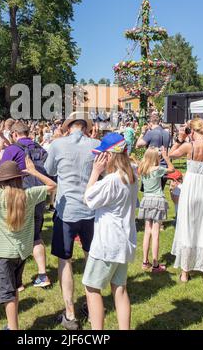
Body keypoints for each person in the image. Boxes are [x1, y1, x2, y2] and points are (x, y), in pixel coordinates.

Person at [0, 159, 56, 330]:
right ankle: (12, 324)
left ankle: (13, 328)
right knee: (14, 288)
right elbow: (52, 186)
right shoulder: (28, 194)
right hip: (22, 252)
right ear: (20, 178)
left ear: (1, 180)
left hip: (4, 254)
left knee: (7, 293)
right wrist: (34, 172)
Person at [44, 111, 99, 330]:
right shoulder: (96, 144)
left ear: (68, 127)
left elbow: (49, 170)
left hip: (66, 210)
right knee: (90, 257)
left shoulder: (58, 145)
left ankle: (70, 313)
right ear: (85, 126)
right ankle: (92, 303)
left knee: (64, 261)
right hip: (90, 209)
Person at [82, 133, 138, 330]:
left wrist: (95, 173)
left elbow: (88, 199)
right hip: (124, 241)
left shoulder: (112, 180)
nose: (98, 160)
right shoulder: (131, 175)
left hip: (107, 244)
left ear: (110, 156)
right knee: (120, 289)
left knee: (91, 287)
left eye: (101, 156)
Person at [0, 121, 50, 288]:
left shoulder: (12, 149)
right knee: (36, 235)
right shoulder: (41, 149)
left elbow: (3, 171)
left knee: (17, 235)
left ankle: (17, 281)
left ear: (14, 134)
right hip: (40, 193)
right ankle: (43, 274)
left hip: (21, 195)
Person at [169, 118, 203, 286]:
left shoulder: (189, 146)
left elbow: (171, 153)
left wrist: (179, 138)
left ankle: (185, 273)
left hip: (191, 186)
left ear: (191, 131)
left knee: (188, 225)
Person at [138, 147, 175, 272]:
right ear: (155, 157)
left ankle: (145, 261)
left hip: (146, 200)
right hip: (158, 201)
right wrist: (166, 157)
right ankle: (155, 264)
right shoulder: (158, 169)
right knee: (155, 233)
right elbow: (172, 169)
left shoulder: (143, 169)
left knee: (147, 231)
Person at [136, 114, 171, 190]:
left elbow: (138, 145)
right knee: (160, 191)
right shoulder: (167, 133)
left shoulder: (151, 133)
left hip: (152, 167)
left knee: (149, 192)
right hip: (164, 166)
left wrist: (142, 133)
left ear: (150, 123)